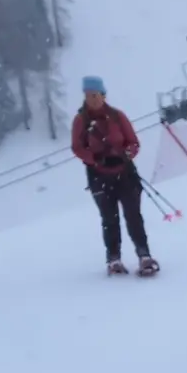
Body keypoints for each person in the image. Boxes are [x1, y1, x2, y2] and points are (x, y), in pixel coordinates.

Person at [71, 77, 157, 276]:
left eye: (94, 95)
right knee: (109, 219)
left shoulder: (117, 116)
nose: (91, 99)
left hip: (125, 174)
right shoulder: (80, 121)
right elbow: (77, 147)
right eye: (88, 95)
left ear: (103, 95)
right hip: (99, 177)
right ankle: (114, 259)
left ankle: (144, 255)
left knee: (133, 216)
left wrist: (126, 154)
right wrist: (95, 160)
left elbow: (133, 142)